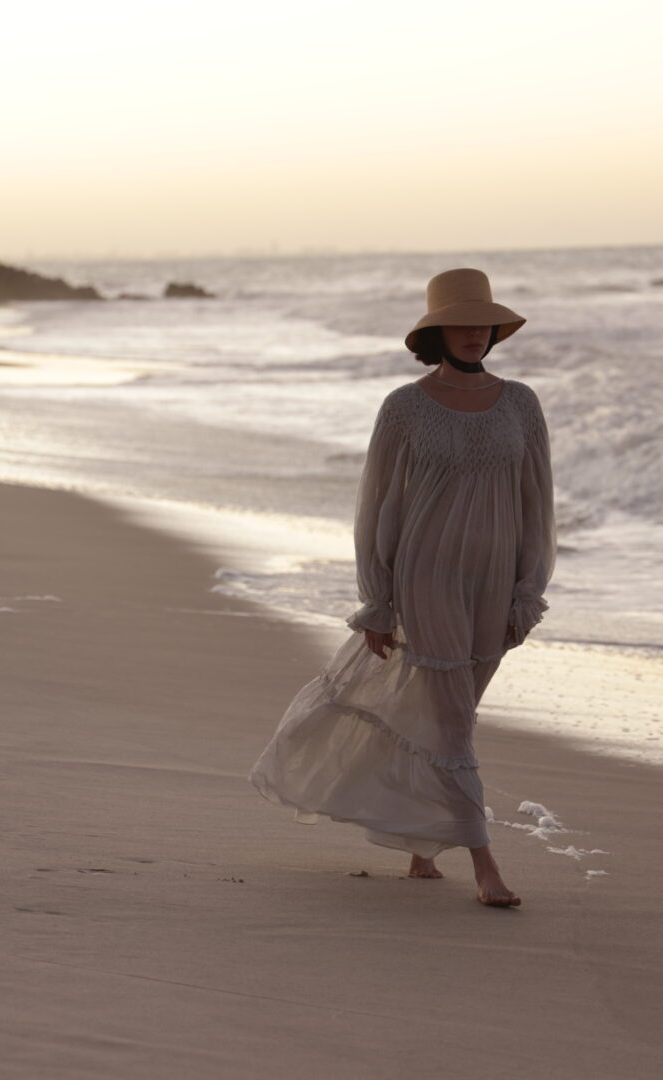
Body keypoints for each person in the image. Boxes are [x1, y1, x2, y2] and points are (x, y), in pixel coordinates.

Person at [249, 268, 555, 908]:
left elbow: (537, 501)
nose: (473, 333)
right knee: (453, 725)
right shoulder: (404, 407)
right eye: (460, 323)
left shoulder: (521, 403)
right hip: (428, 574)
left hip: (495, 579)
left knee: (453, 716)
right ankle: (485, 864)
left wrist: (529, 588)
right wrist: (378, 599)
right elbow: (379, 507)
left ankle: (423, 848)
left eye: (483, 323)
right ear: (435, 333)